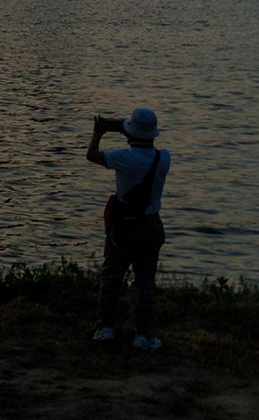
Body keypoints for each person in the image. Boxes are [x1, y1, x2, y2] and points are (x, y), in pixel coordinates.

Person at [86, 107, 171, 351]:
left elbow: (91, 155)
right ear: (153, 134)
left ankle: (105, 328)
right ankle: (144, 335)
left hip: (123, 227)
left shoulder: (122, 157)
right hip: (151, 224)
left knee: (112, 276)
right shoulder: (163, 158)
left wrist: (99, 131)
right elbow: (140, 140)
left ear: (130, 133)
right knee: (145, 282)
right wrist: (127, 128)